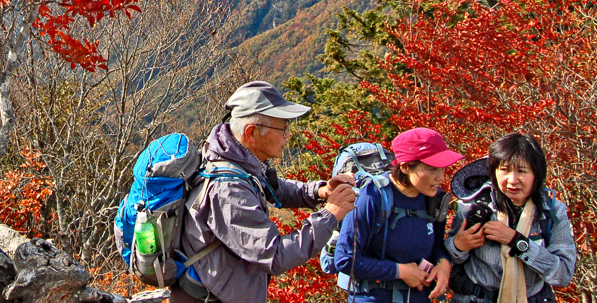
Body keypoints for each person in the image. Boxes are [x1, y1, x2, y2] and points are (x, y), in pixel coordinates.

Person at [171, 81, 357, 303]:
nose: (288, 135)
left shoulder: (235, 158)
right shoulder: (228, 190)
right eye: (283, 127)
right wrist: (330, 215)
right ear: (252, 133)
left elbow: (271, 187)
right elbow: (275, 255)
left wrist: (320, 191)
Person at [334, 127, 463, 302]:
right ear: (405, 167)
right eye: (432, 169)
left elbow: (437, 246)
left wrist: (443, 264)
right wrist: (401, 272)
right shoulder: (373, 196)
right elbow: (345, 259)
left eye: (443, 168)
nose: (440, 177)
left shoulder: (435, 198)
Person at [445, 133, 576, 303]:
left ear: (536, 174)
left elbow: (563, 274)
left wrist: (518, 243)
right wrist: (458, 245)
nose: (512, 180)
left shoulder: (552, 211)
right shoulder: (473, 205)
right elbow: (445, 257)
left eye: (522, 171)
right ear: (493, 172)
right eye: (505, 170)